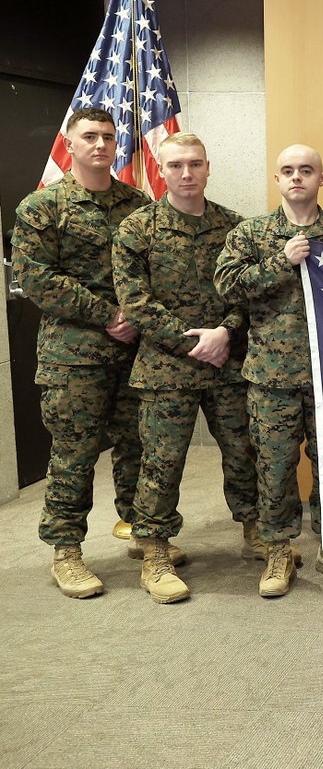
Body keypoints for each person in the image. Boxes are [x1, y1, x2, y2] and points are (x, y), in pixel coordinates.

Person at [113, 132, 263, 604]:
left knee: (244, 450)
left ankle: (256, 530)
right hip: (165, 369)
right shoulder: (139, 229)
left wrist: (224, 332)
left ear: (208, 167)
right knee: (162, 462)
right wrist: (192, 341)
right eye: (176, 165)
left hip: (226, 360)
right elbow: (135, 301)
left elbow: (248, 294)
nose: (186, 173)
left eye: (194, 164)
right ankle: (155, 553)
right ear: (162, 168)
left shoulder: (234, 227)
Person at [215, 144, 323, 597]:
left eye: (306, 170)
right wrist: (280, 261)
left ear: (322, 178)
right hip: (272, 376)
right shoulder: (252, 235)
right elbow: (227, 286)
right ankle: (278, 552)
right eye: (288, 171)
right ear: (277, 180)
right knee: (275, 468)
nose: (296, 177)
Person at [11, 107, 147, 598]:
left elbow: (154, 267)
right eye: (89, 136)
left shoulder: (137, 203)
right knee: (75, 454)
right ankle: (66, 552)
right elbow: (37, 279)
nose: (100, 145)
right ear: (69, 143)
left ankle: (143, 534)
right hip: (75, 356)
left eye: (108, 137)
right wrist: (110, 316)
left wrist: (139, 314)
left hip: (135, 351)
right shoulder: (42, 208)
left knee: (138, 446)